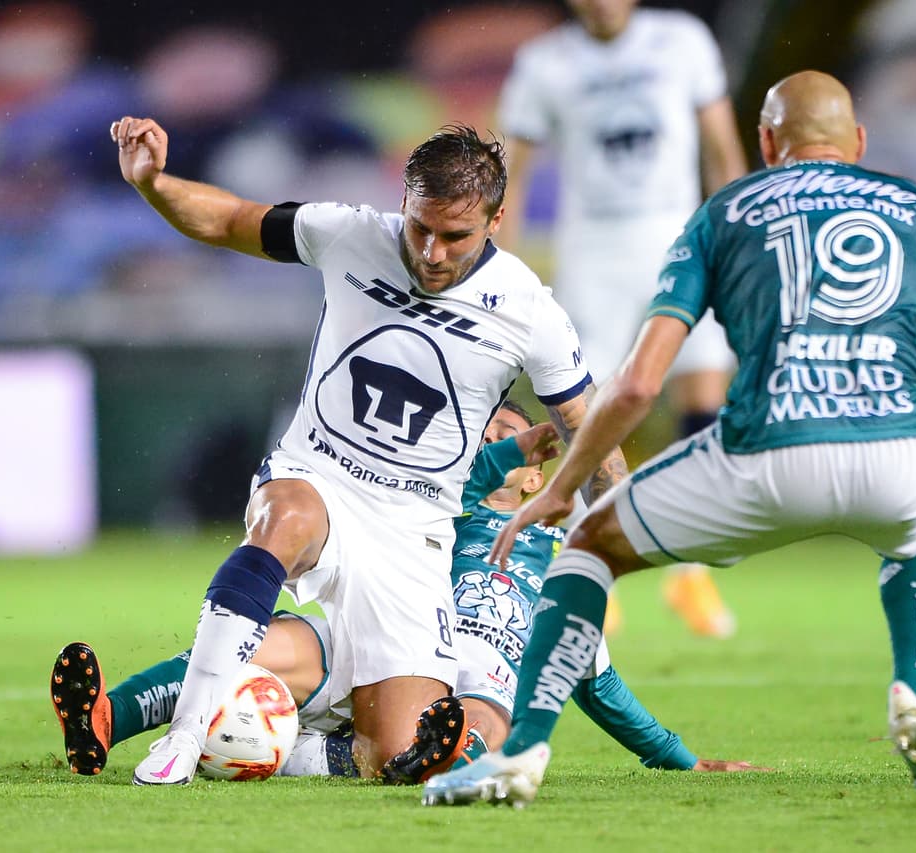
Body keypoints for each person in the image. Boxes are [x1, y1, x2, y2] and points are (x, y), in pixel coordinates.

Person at [422, 70, 916, 809]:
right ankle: (912, 694)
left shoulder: (724, 211)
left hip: (767, 453)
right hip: (902, 455)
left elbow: (634, 386)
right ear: (857, 141)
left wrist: (564, 490)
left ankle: (522, 753)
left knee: (590, 546)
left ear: (764, 143)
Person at [105, 116, 626, 784]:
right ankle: (182, 735)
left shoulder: (531, 311)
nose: (432, 252)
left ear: (496, 221)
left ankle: (266, 737)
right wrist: (153, 183)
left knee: (394, 753)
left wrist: (621, 534)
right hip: (316, 474)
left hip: (414, 534)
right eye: (419, 227)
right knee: (286, 515)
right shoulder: (351, 233)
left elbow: (589, 428)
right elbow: (229, 218)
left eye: (455, 236)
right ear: (403, 204)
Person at [50, 403, 762, 778]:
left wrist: (677, 757)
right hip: (386, 631)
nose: (488, 444)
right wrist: (496, 455)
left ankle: (403, 756)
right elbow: (462, 480)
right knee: (270, 642)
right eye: (479, 436)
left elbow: (596, 679)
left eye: (505, 436)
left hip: (480, 668)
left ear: (536, 476)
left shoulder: (570, 556)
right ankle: (103, 721)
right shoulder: (437, 510)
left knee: (480, 714)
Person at [496, 0, 748, 637]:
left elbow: (722, 149)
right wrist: (502, 267)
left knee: (703, 395)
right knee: (590, 407)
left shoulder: (682, 40)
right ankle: (597, 564)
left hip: (681, 234)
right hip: (594, 248)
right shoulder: (545, 61)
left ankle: (689, 572)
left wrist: (739, 236)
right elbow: (513, 174)